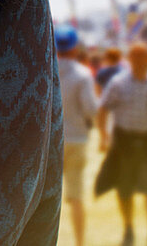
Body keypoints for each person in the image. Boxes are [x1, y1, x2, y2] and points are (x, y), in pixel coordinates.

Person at [95, 42, 147, 246]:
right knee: (124, 188)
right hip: (124, 141)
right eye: (134, 57)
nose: (139, 61)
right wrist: (103, 136)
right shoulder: (118, 83)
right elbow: (103, 109)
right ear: (129, 60)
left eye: (143, 57)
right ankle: (128, 230)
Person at [56, 25, 98, 246]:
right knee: (76, 196)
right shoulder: (83, 75)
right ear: (74, 48)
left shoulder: (45, 69)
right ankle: (80, 242)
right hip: (78, 139)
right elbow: (91, 109)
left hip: (51, 143)